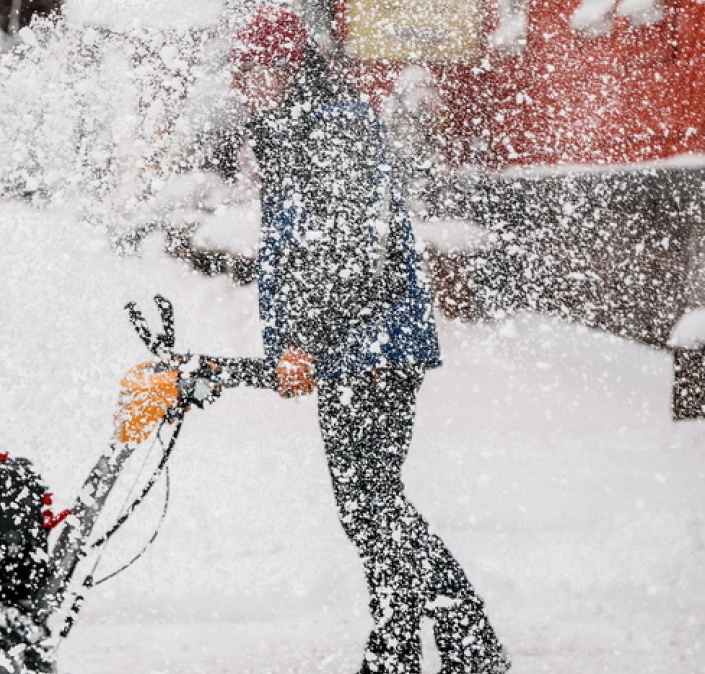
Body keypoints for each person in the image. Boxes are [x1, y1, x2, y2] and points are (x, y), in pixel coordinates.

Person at [228, 6, 509, 674]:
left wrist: (300, 339)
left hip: (373, 345)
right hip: (353, 343)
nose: (247, 82)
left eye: (258, 68)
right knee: (370, 506)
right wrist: (295, 340)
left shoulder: (333, 130)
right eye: (242, 70)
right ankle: (397, 648)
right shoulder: (297, 129)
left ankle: (466, 643)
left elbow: (348, 252)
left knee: (370, 505)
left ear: (290, 67)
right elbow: (301, 252)